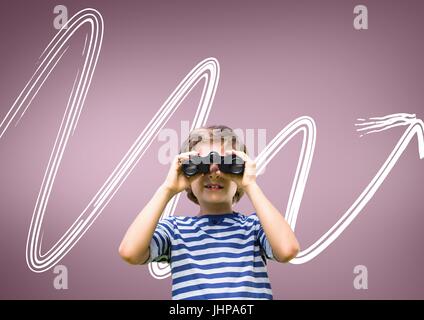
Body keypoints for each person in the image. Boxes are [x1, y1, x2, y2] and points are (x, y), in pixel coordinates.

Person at [119, 125, 300, 299]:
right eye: (201, 164)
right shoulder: (174, 230)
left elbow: (287, 250)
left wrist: (250, 184)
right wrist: (167, 188)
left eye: (225, 163)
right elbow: (130, 252)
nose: (214, 173)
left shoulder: (254, 227)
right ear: (187, 172)